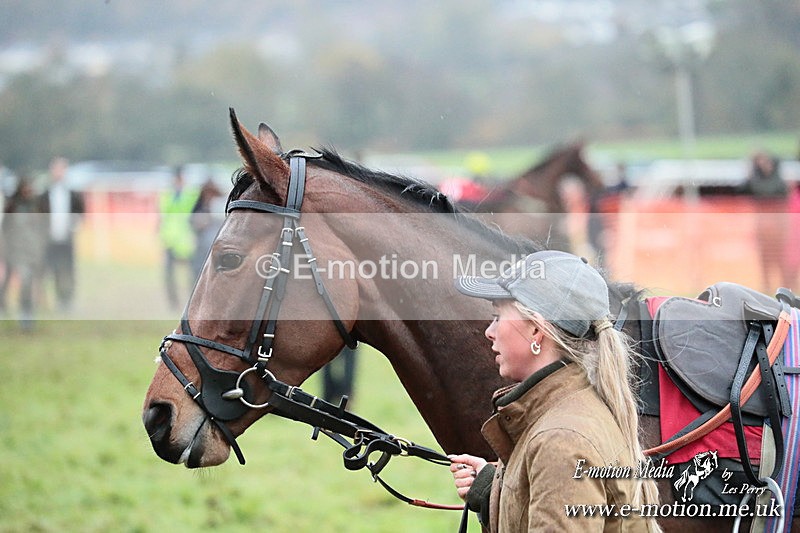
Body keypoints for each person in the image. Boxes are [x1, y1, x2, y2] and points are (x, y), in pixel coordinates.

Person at [448, 251, 660, 532]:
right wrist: (494, 491)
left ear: (536, 331)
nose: (490, 331)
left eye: (498, 316)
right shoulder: (569, 412)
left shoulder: (561, 441)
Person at [1, 176, 47, 330]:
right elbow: (6, 229)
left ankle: (28, 311)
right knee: (23, 280)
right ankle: (25, 312)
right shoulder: (13, 206)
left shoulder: (37, 206)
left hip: (33, 251)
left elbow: (43, 227)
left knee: (31, 281)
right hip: (16, 251)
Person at [40, 157, 85, 312]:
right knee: (52, 271)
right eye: (56, 169)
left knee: (68, 271)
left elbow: (81, 213)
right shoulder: (45, 194)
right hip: (49, 241)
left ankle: (67, 301)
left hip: (67, 240)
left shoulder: (73, 194)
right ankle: (54, 300)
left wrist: (75, 223)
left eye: (62, 169)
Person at [740, 151, 787, 292]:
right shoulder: (756, 180)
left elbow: (769, 190)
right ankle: (767, 287)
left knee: (780, 260)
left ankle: (783, 287)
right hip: (763, 229)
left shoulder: (778, 182)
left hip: (777, 230)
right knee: (764, 261)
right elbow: (743, 190)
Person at [159, 166, 199, 308]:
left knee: (192, 274)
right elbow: (163, 215)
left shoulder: (191, 194)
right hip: (169, 239)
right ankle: (173, 303)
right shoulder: (167, 194)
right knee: (168, 274)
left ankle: (193, 300)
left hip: (186, 239)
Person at [189, 178, 223, 278]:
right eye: (206, 192)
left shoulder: (219, 205)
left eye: (211, 192)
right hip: (201, 246)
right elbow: (193, 221)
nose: (208, 195)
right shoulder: (199, 205)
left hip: (216, 246)